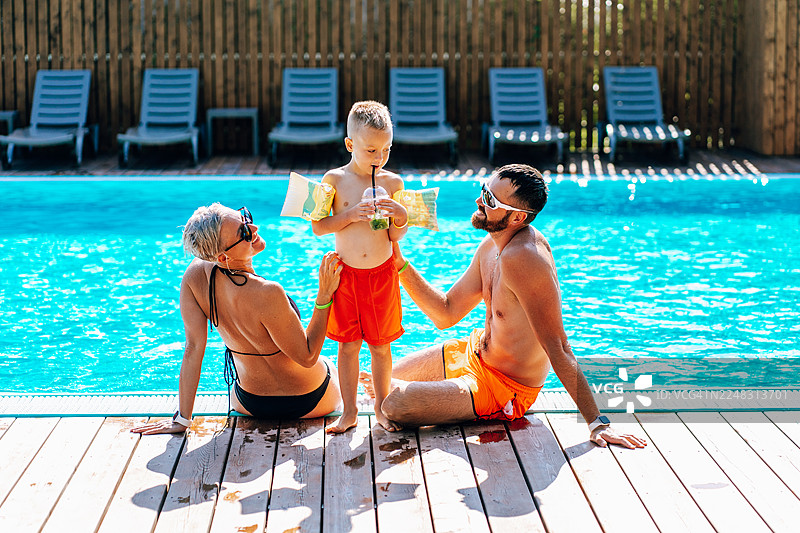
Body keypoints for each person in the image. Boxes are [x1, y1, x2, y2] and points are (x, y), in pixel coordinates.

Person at [361, 164, 647, 448]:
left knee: (394, 403)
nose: (479, 201)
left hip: (504, 388)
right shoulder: (490, 246)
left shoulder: (525, 258)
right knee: (376, 380)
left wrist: (597, 423)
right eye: (484, 191)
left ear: (517, 217)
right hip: (474, 356)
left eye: (490, 200)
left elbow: (558, 346)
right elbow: (446, 313)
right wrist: (400, 264)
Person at [132, 203, 343, 435]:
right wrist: (324, 296)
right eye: (243, 233)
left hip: (250, 403)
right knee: (331, 362)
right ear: (222, 257)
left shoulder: (194, 278)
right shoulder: (268, 292)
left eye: (245, 219)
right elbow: (307, 357)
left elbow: (193, 348)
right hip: (311, 400)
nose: (253, 228)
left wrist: (182, 419)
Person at [311, 101, 409, 433]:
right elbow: (318, 226)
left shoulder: (394, 183)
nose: (379, 157)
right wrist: (351, 215)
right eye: (371, 149)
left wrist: (400, 214)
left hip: (381, 274)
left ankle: (382, 410)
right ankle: (349, 411)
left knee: (381, 347)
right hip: (347, 275)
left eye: (386, 149)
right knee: (348, 345)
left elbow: (396, 235)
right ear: (350, 145)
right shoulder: (334, 179)